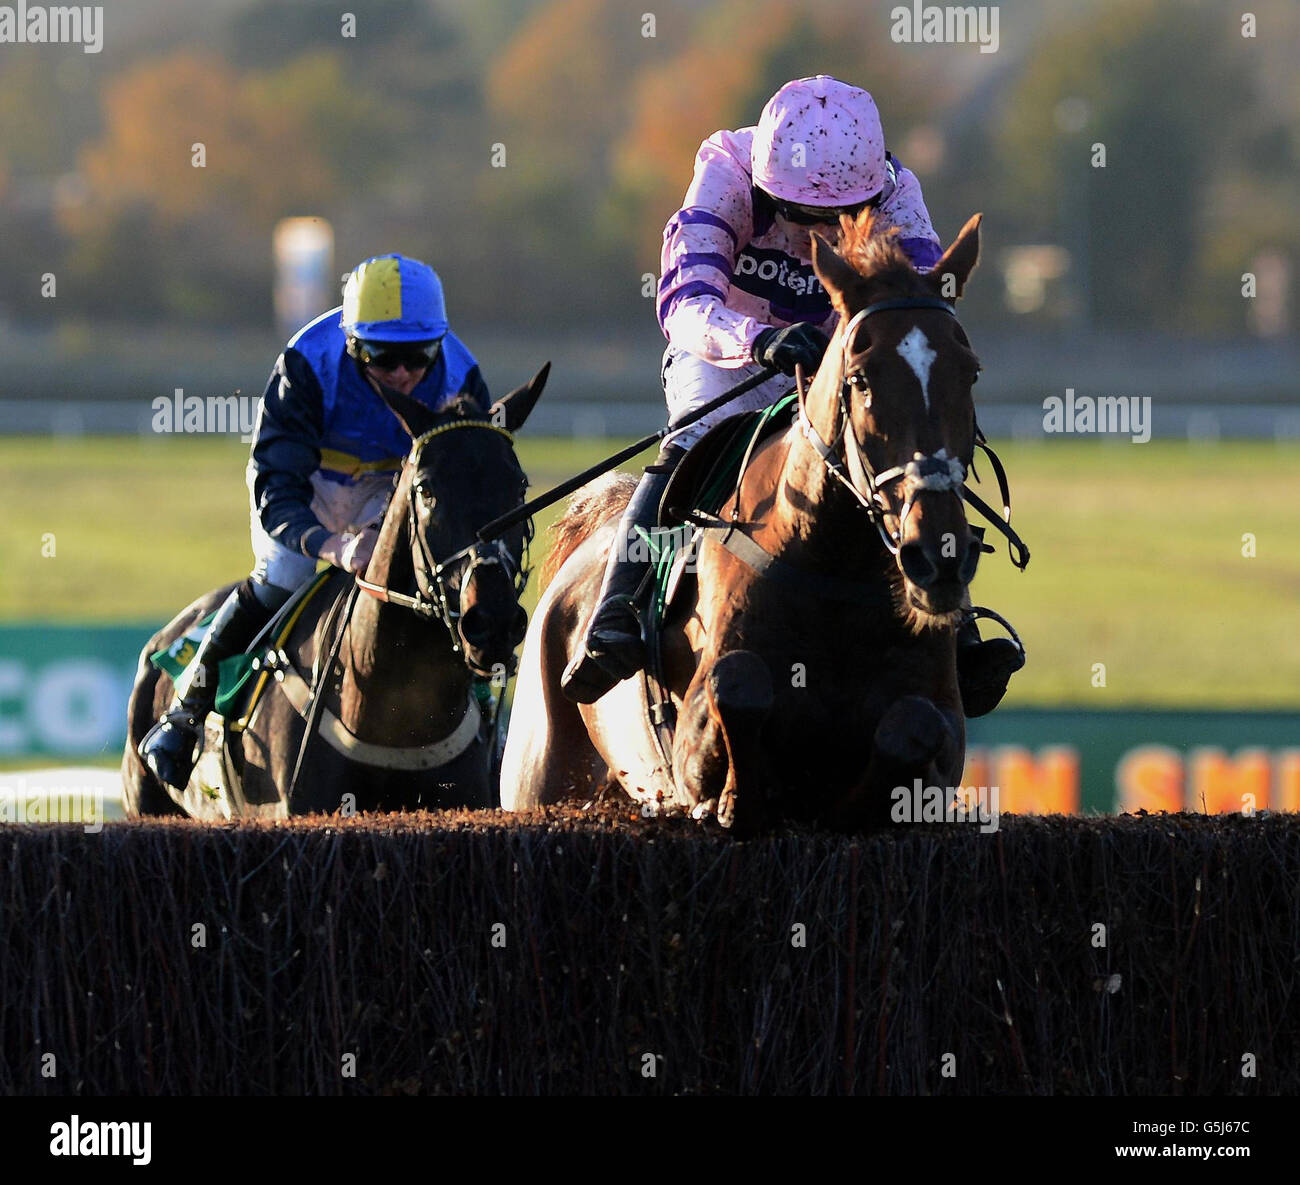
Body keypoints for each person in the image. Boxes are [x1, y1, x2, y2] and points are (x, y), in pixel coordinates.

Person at [561, 75, 1023, 713]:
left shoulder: (897, 195)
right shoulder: (724, 173)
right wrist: (756, 341)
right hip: (726, 354)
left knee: (906, 452)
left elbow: (915, 316)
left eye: (836, 217)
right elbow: (685, 302)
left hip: (840, 356)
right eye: (799, 213)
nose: (818, 229)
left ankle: (955, 621)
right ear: (765, 184)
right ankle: (617, 613)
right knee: (690, 442)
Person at [139, 253, 492, 789]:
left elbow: (468, 486)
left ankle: (491, 718)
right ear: (352, 345)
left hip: (401, 489)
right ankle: (186, 714)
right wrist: (333, 546)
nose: (401, 374)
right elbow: (277, 486)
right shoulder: (307, 363)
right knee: (282, 581)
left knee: (452, 593)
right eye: (381, 356)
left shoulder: (462, 376)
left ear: (438, 343)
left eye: (417, 357)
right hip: (313, 487)